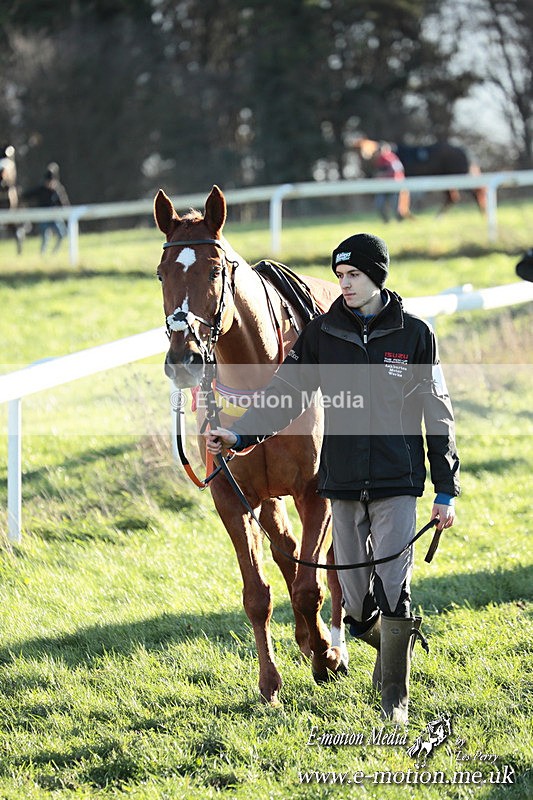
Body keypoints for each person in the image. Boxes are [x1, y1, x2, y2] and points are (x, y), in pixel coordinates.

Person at [205, 233, 460, 724]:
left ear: (377, 277)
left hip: (397, 482)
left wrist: (445, 489)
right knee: (359, 608)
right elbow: (285, 394)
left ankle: (394, 699)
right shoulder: (320, 335)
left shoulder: (415, 334)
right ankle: (391, 645)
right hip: (341, 486)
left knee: (394, 589)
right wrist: (239, 435)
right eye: (340, 276)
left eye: (354, 275)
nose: (344, 284)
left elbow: (438, 414)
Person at [23, 162, 70, 254]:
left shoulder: (57, 189)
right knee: (45, 237)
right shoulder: (40, 189)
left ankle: (54, 253)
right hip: (44, 217)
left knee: (62, 234)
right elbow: (28, 195)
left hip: (55, 216)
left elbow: (63, 203)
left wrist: (67, 211)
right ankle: (42, 254)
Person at [371, 142, 408, 222]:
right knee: (379, 204)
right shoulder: (380, 160)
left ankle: (400, 221)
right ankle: (386, 222)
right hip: (384, 185)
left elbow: (395, 170)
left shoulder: (389, 158)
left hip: (394, 185)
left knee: (396, 207)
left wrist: (382, 175)